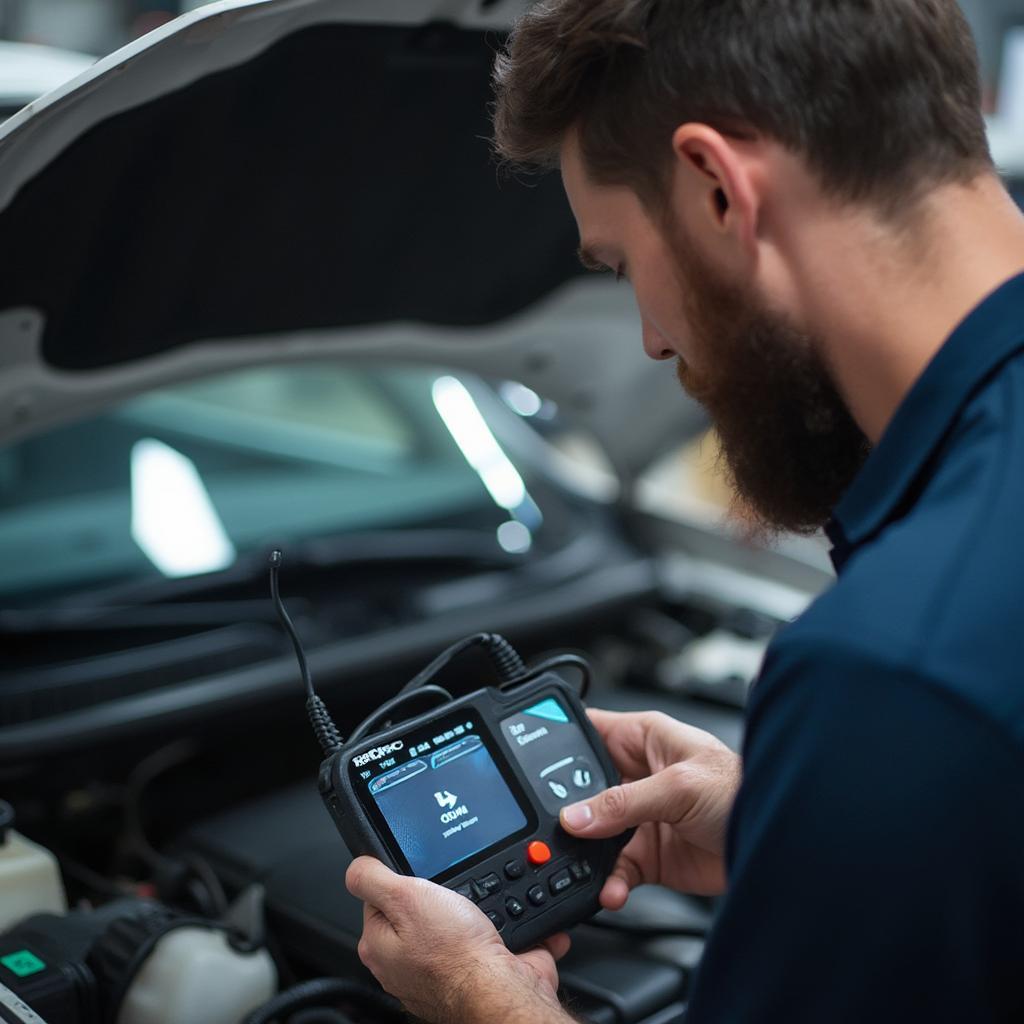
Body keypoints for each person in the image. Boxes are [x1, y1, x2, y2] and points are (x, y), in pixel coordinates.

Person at [345, 1, 1024, 1020]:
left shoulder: (897, 671)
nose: (653, 343)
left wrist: (484, 1003)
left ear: (715, 189)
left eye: (619, 264)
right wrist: (802, 824)